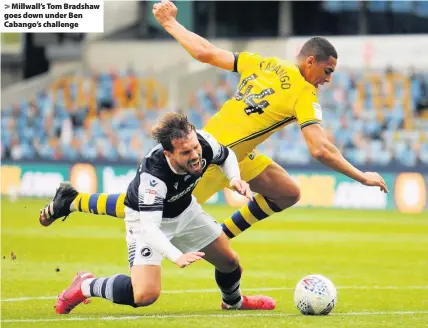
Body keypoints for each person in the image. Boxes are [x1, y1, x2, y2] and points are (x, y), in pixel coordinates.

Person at [40, 0, 388, 239]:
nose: (328, 79)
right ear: (311, 62)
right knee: (147, 209)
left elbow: (205, 52)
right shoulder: (305, 95)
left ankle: (220, 236)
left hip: (234, 153)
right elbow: (320, 150)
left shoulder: (263, 62)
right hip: (206, 159)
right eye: (327, 71)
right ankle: (72, 200)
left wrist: (170, 23)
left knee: (288, 192)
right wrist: (361, 176)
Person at [54, 113, 275, 314]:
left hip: (186, 210)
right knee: (144, 295)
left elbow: (226, 156)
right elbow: (150, 228)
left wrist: (234, 178)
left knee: (229, 262)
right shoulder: (154, 176)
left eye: (195, 147)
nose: (196, 155)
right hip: (145, 220)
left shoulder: (202, 142)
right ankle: (85, 285)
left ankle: (233, 303)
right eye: (186, 152)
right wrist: (176, 256)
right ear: (169, 153)